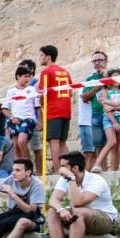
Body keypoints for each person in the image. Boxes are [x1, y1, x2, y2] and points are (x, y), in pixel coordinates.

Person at [44, 151, 117, 238]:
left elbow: (78, 202)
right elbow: (53, 200)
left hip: (104, 219)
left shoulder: (96, 180)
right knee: (53, 212)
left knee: (78, 212)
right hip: (80, 218)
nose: (60, 169)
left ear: (75, 168)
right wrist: (61, 209)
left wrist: (71, 179)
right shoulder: (65, 178)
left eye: (63, 166)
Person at [39, 45, 74, 174]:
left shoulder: (46, 72)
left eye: (41, 55)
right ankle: (69, 168)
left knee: (54, 141)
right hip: (66, 109)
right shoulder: (65, 72)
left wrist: (42, 105)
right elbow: (70, 92)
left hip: (53, 110)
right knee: (63, 142)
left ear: (48, 57)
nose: (40, 58)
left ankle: (58, 170)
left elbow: (43, 94)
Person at [2, 65, 40, 164]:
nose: (28, 79)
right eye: (25, 76)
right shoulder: (10, 91)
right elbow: (4, 109)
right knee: (16, 146)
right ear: (18, 76)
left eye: (29, 76)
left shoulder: (32, 90)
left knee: (21, 141)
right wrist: (12, 117)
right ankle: (19, 168)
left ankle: (28, 166)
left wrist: (41, 121)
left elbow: (37, 106)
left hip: (28, 118)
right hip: (14, 120)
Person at [79, 51, 108, 170]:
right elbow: (85, 98)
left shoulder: (113, 75)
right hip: (96, 113)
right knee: (99, 145)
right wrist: (97, 87)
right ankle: (103, 171)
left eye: (100, 60)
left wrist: (106, 78)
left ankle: (115, 171)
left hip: (112, 112)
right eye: (94, 61)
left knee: (113, 144)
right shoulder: (90, 79)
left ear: (106, 62)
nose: (97, 63)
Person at [94, 67, 120, 173]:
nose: (117, 79)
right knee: (111, 141)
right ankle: (97, 164)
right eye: (114, 77)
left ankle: (114, 171)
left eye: (119, 77)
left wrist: (114, 107)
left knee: (117, 146)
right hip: (109, 119)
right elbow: (107, 109)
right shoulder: (105, 92)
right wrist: (114, 122)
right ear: (110, 79)